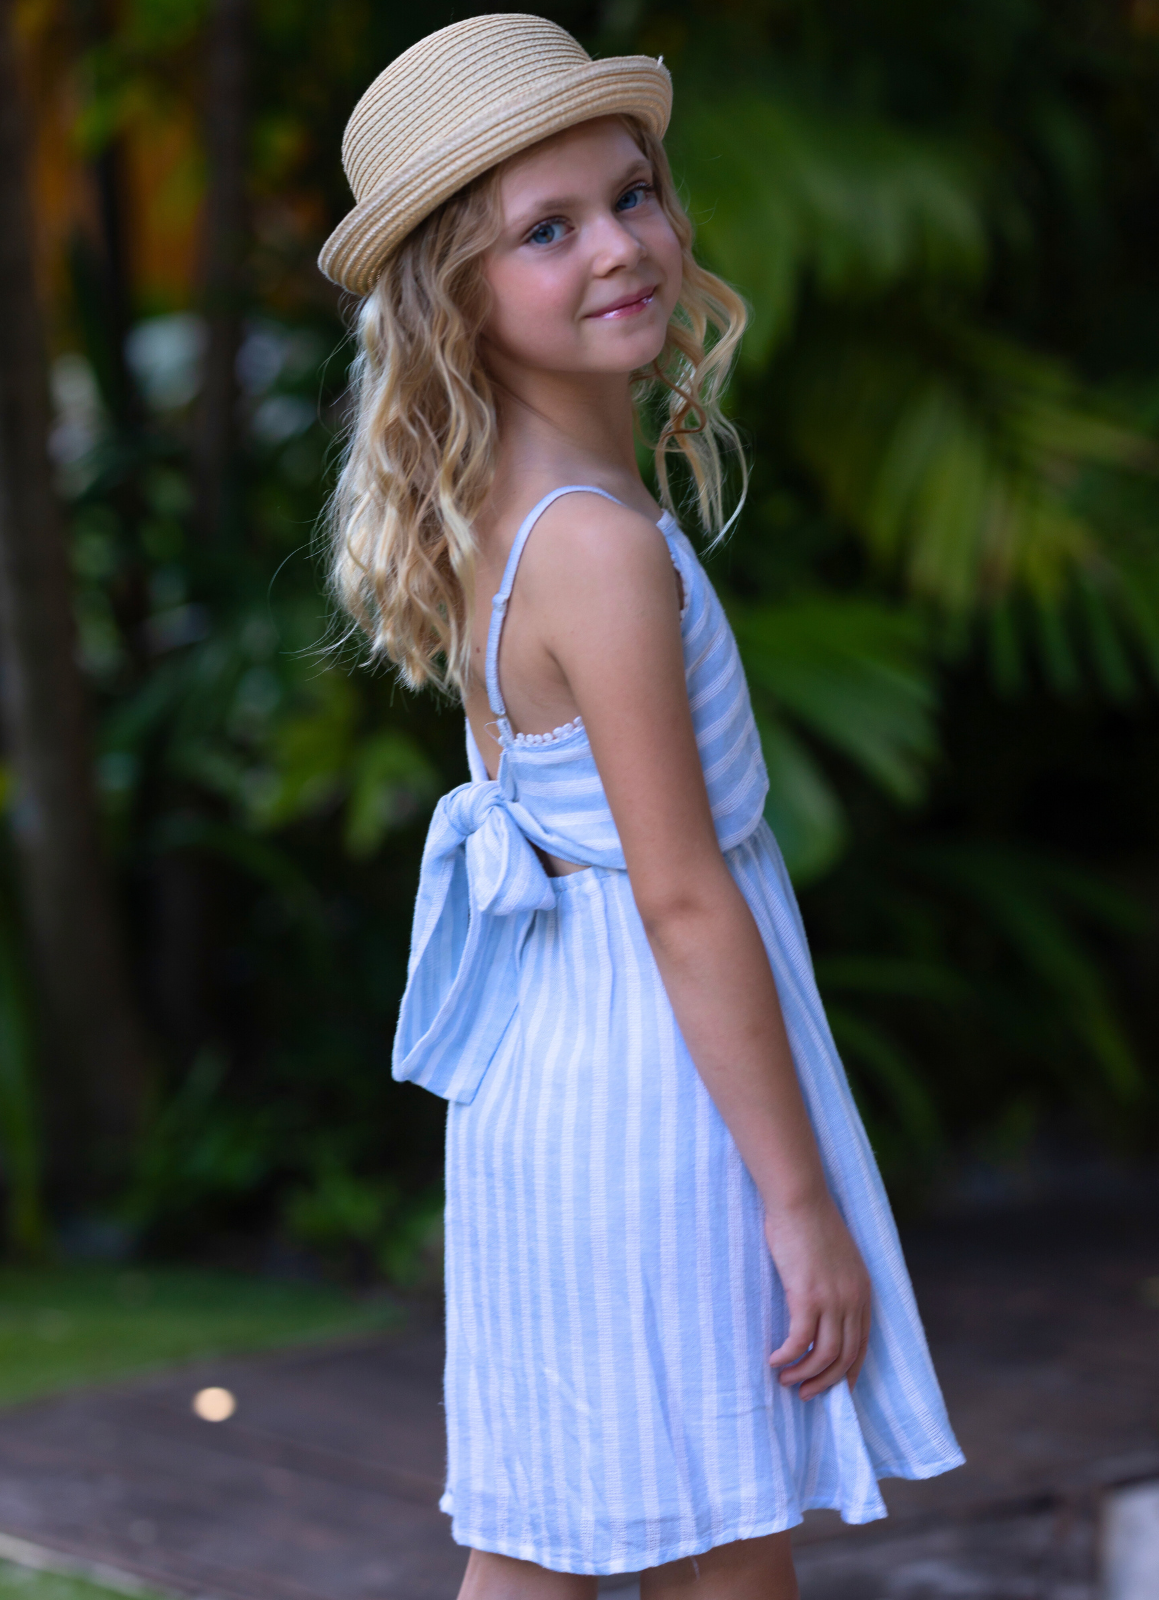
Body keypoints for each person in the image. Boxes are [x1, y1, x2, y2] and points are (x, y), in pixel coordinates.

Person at [319, 16, 963, 1600]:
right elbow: (680, 892)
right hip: (655, 1092)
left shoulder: (509, 510)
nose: (618, 245)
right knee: (726, 1556)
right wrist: (799, 1204)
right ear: (456, 299)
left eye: (630, 195)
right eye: (546, 230)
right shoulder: (597, 547)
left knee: (536, 1555)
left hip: (550, 1078)